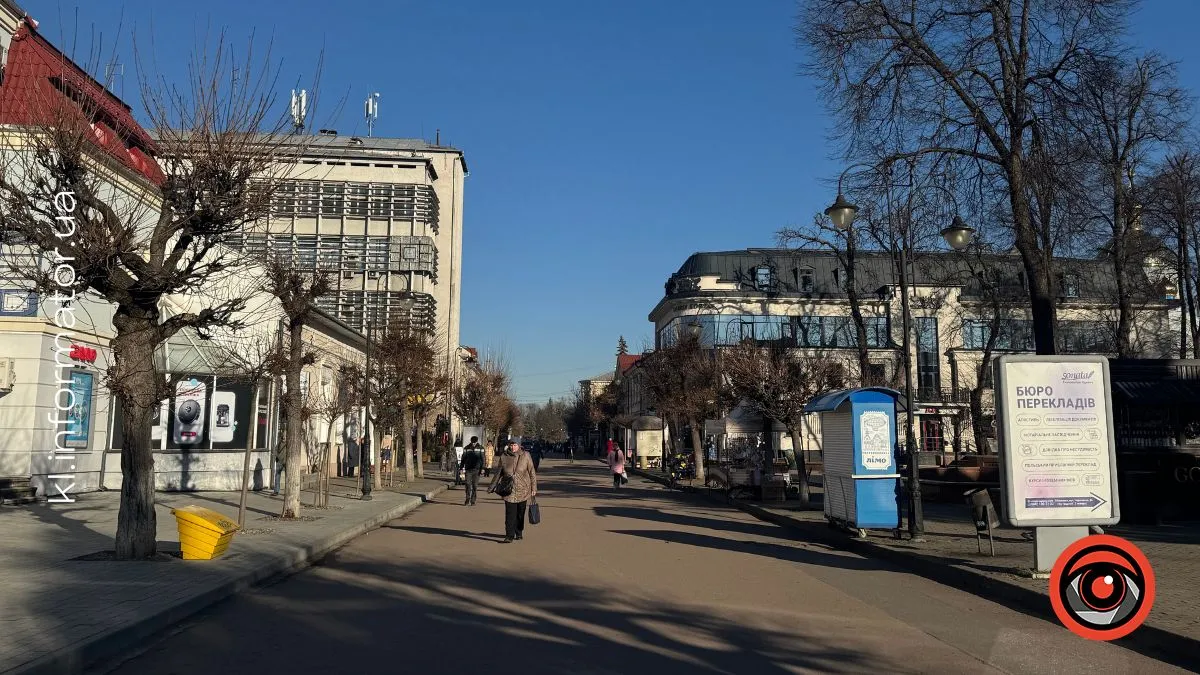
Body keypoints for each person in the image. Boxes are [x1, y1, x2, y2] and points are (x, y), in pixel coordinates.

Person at [488, 439, 537, 543]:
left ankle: (519, 532)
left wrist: (534, 488)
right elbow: (498, 473)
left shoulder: (526, 455)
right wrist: (492, 486)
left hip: (523, 490)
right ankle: (509, 535)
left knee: (520, 514)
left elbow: (532, 472)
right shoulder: (504, 456)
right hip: (508, 490)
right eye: (511, 445)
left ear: (519, 445)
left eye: (515, 445)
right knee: (510, 514)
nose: (513, 447)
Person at [460, 436, 485, 505]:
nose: (473, 444)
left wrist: (483, 468)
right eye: (472, 442)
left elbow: (483, 459)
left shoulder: (481, 448)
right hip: (468, 469)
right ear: (471, 441)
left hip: (477, 470)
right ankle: (467, 499)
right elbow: (463, 458)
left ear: (477, 442)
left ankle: (473, 500)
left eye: (475, 442)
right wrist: (461, 468)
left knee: (474, 485)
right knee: (468, 484)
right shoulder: (466, 448)